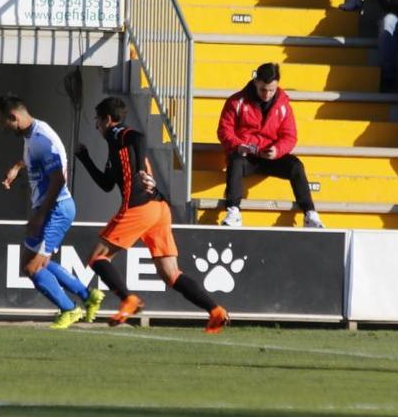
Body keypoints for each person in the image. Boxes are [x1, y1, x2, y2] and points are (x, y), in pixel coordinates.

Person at [75, 97, 229, 334]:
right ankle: (215, 311)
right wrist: (85, 159)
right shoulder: (116, 147)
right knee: (170, 273)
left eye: (98, 121)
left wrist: (138, 171)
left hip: (139, 207)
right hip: (159, 209)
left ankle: (128, 299)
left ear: (107, 119)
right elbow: (107, 184)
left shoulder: (119, 134)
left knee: (97, 258)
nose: (97, 126)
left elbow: (139, 137)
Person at [0, 94, 104, 329]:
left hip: (56, 209)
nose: (3, 127)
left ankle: (70, 309)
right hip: (49, 207)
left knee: (33, 267)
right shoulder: (32, 135)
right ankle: (87, 295)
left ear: (14, 116)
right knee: (30, 264)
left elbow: (58, 179)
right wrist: (16, 167)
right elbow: (36, 160)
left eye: (4, 122)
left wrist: (40, 214)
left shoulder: (42, 137)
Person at [216, 63, 325, 228]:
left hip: (272, 156)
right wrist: (238, 146)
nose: (267, 94)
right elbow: (224, 131)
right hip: (245, 156)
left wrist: (277, 150)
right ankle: (233, 211)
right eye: (263, 89)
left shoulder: (283, 105)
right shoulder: (236, 101)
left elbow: (290, 136)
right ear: (255, 82)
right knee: (235, 161)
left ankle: (310, 213)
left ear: (277, 85)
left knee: (296, 166)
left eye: (271, 90)